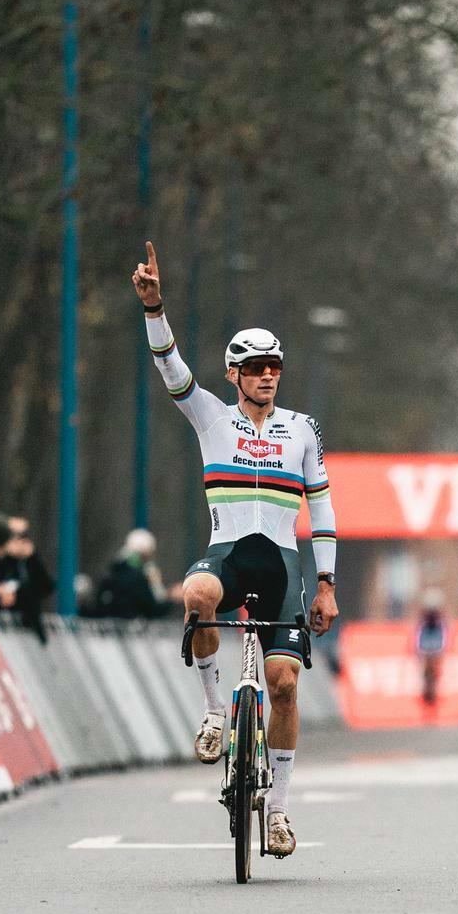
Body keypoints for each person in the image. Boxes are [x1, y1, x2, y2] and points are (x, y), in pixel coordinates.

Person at [134, 240, 339, 859]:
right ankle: (213, 711)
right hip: (228, 553)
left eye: (274, 365)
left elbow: (322, 507)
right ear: (234, 376)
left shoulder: (302, 429)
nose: (267, 375)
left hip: (281, 566)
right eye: (254, 367)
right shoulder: (212, 418)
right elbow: (170, 368)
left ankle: (277, 812)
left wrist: (326, 583)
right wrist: (154, 309)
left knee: (283, 684)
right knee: (196, 592)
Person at [412, 588, 448, 708]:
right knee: (426, 670)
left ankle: (433, 691)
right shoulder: (422, 623)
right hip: (426, 647)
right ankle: (427, 691)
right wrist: (418, 651)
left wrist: (441, 650)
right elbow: (417, 638)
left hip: (436, 647)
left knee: (434, 669)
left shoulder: (441, 623)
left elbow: (444, 637)